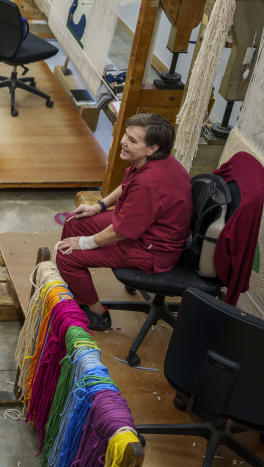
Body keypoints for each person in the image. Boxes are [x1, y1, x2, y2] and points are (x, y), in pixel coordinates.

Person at [55, 113, 192, 330]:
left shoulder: (150, 183)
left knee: (67, 255)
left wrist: (83, 243)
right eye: (126, 135)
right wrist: (98, 206)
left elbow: (120, 232)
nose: (123, 142)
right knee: (74, 222)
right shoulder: (156, 160)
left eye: (132, 140)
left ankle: (97, 313)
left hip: (151, 250)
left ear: (152, 148)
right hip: (144, 229)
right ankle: (77, 286)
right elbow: (128, 183)